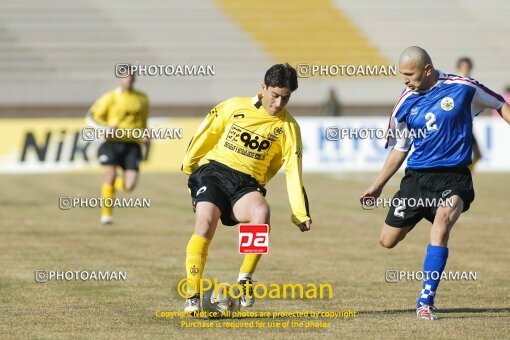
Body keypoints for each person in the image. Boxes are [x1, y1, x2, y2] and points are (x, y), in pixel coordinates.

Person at [360, 46, 510, 320]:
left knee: (442, 224)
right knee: (387, 240)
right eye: (401, 74)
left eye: (409, 74)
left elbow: (501, 104)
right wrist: (378, 184)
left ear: (427, 69)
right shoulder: (405, 104)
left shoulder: (463, 87)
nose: (404, 80)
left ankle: (425, 301)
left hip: (455, 177)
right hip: (417, 180)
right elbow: (400, 148)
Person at [181, 63, 312, 313]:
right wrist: (189, 165)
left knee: (261, 213)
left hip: (247, 184)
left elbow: (293, 170)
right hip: (214, 173)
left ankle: (244, 279)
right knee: (206, 222)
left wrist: (300, 213)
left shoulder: (288, 127)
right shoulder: (234, 106)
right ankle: (192, 295)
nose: (278, 104)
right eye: (275, 95)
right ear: (263, 88)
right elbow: (207, 132)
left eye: (285, 98)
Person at [86, 67, 149, 224]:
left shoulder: (142, 98)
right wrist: (107, 128)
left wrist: (146, 134)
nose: (128, 79)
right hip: (113, 143)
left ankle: (116, 184)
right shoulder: (110, 97)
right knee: (110, 175)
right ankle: (106, 215)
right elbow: (91, 117)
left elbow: (143, 122)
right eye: (125, 76)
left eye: (131, 76)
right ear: (119, 79)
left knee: (130, 186)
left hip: (133, 144)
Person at [456, 57, 482, 171]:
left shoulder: (472, 84)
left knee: (478, 155)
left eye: (468, 67)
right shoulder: (454, 84)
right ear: (459, 68)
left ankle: (466, 173)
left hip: (467, 126)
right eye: (464, 67)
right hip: (457, 127)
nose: (466, 69)